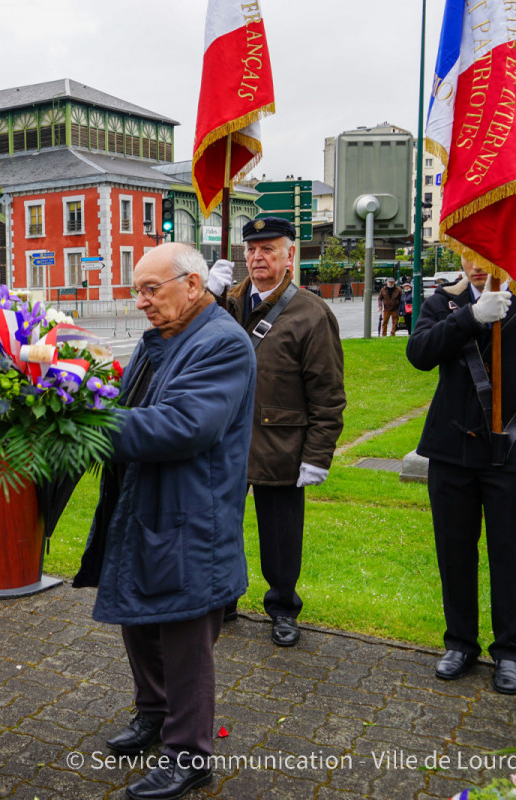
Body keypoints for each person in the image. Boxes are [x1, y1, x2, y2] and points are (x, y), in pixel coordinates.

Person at [75, 244, 255, 800]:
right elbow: (130, 402)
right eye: (138, 290)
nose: (142, 301)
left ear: (194, 285)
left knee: (182, 635)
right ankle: (153, 714)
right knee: (139, 618)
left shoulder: (222, 342)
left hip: (189, 515)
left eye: (152, 289)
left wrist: (85, 420)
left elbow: (182, 425)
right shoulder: (166, 340)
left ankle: (190, 752)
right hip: (146, 505)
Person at [407, 255, 516, 695]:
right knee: (454, 552)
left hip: (513, 453)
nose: (476, 264)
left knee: (511, 555)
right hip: (451, 451)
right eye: (468, 253)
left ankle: (509, 652)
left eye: (486, 254)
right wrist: (470, 317)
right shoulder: (445, 302)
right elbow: (420, 354)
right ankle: (460, 643)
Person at [222, 217, 346, 647]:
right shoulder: (227, 302)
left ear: (289, 255)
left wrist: (317, 455)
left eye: (269, 249)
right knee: (220, 528)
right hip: (225, 442)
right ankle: (222, 599)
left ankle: (282, 608)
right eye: (252, 249)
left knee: (280, 536)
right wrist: (205, 296)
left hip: (281, 443)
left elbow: (328, 397)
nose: (258, 257)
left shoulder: (312, 313)